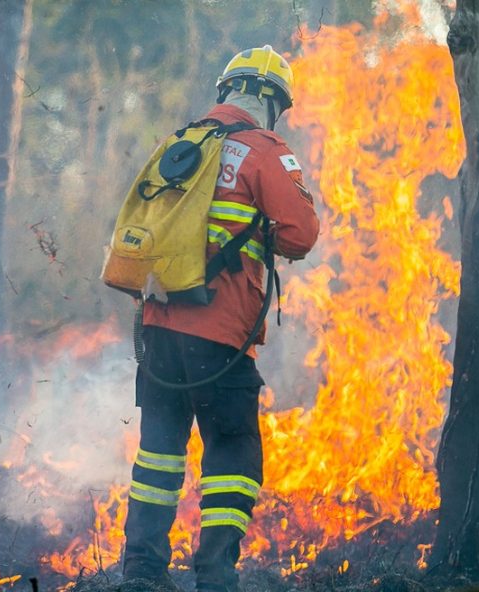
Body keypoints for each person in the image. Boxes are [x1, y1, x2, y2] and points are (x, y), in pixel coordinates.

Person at [120, 46, 320, 592]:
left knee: (159, 452)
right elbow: (301, 235)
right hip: (219, 332)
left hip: (158, 330)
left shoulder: (176, 146)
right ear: (272, 102)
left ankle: (140, 570)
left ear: (225, 91)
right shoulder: (263, 149)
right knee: (233, 453)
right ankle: (213, 574)